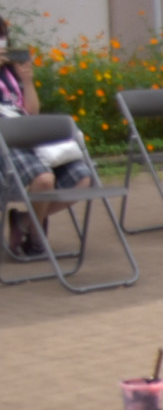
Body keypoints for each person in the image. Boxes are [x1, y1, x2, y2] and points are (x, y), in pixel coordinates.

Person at [0, 16, 94, 258]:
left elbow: (32, 111)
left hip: (29, 135)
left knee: (83, 180)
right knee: (43, 180)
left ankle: (26, 222)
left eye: (2, 37)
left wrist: (27, 82)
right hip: (5, 142)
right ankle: (35, 234)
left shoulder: (11, 71)